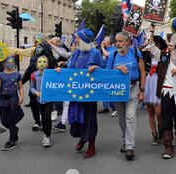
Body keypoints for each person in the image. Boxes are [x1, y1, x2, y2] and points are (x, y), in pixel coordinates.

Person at [56, 29, 104, 158]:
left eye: (77, 38)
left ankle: (91, 145)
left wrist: (96, 68)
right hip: (76, 92)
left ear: (83, 40)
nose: (75, 40)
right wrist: (61, 68)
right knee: (78, 117)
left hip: (89, 93)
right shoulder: (77, 52)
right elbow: (69, 65)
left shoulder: (95, 53)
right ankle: (83, 138)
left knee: (89, 119)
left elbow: (104, 71)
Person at [105, 31, 146, 161]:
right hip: (118, 91)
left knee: (130, 117)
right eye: (117, 41)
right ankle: (125, 140)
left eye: (121, 41)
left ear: (128, 42)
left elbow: (143, 71)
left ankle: (129, 147)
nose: (118, 43)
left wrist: (142, 90)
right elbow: (106, 72)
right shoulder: (113, 55)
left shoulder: (135, 52)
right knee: (122, 119)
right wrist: (118, 68)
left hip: (133, 87)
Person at [22, 41, 58, 132]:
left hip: (47, 89)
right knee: (34, 105)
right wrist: (20, 83)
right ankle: (37, 121)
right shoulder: (34, 58)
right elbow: (28, 71)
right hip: (34, 86)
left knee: (45, 109)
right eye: (37, 47)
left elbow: (57, 75)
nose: (37, 49)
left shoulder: (51, 59)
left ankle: (45, 124)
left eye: (40, 47)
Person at [142, 28, 165, 146]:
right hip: (148, 83)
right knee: (150, 111)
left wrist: (152, 32)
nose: (155, 44)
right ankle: (154, 134)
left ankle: (161, 129)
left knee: (158, 112)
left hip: (159, 84)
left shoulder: (163, 56)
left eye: (157, 43)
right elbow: (142, 70)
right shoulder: (146, 55)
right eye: (154, 42)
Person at [0, 56, 24, 151]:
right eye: (8, 62)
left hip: (13, 100)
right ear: (4, 64)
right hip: (2, 99)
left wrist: (21, 97)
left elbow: (20, 87)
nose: (11, 64)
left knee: (10, 120)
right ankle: (14, 130)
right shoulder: (0, 75)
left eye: (12, 62)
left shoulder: (17, 74)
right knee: (4, 121)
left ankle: (12, 141)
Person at [30, 56, 54, 147]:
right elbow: (31, 87)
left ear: (47, 64)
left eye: (44, 61)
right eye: (40, 61)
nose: (42, 63)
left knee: (47, 116)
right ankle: (45, 132)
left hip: (49, 99)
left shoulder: (51, 74)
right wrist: (36, 92)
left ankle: (48, 136)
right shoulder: (34, 75)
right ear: (37, 64)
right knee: (43, 117)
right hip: (40, 100)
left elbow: (58, 81)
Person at [99, 36, 117, 116]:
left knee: (111, 89)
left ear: (108, 42)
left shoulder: (113, 49)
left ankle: (114, 107)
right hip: (104, 71)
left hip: (111, 72)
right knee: (104, 89)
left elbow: (108, 55)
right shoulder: (103, 50)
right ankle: (105, 107)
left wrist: (102, 48)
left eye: (104, 40)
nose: (103, 41)